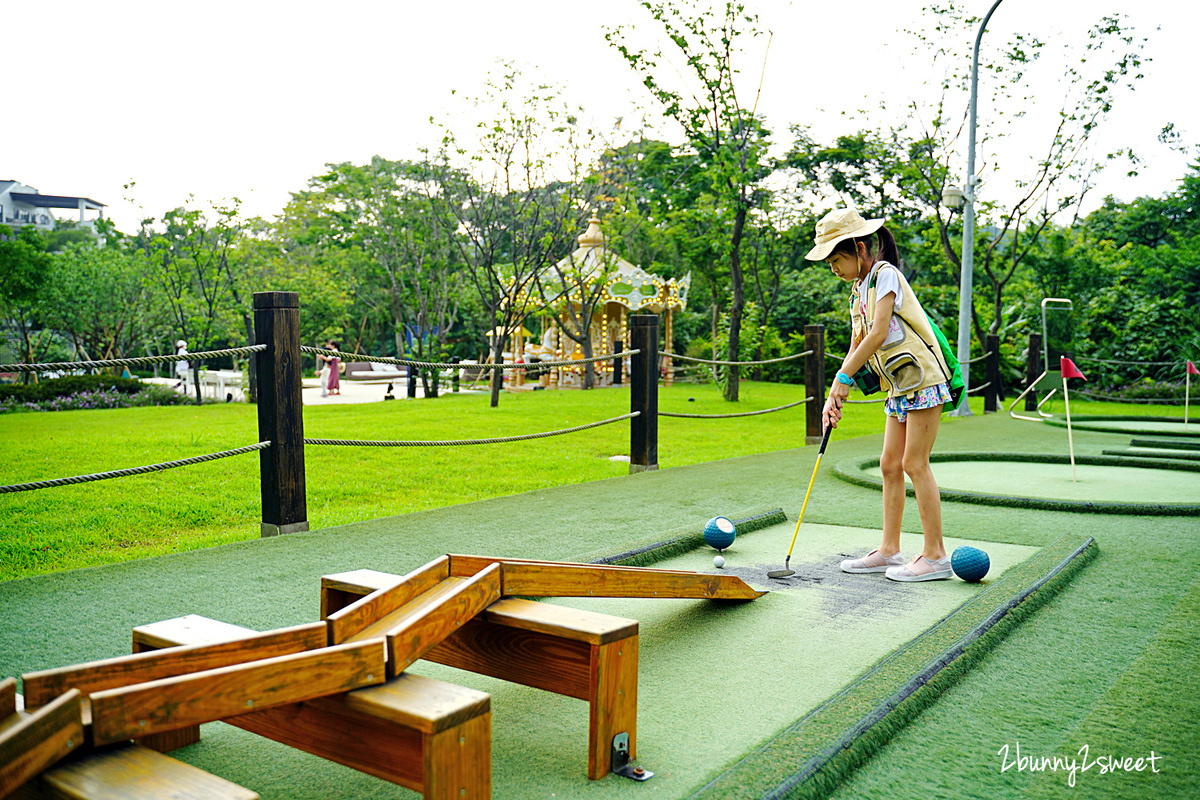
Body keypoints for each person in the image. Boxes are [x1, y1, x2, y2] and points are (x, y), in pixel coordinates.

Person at [808, 207, 958, 582]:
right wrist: (835, 390)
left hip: (922, 380)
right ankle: (890, 550)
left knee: (914, 464)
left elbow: (878, 333)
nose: (834, 270)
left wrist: (845, 378)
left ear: (860, 249)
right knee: (889, 464)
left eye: (837, 260)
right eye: (829, 264)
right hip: (898, 385)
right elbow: (858, 341)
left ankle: (936, 556)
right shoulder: (859, 289)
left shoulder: (885, 274)